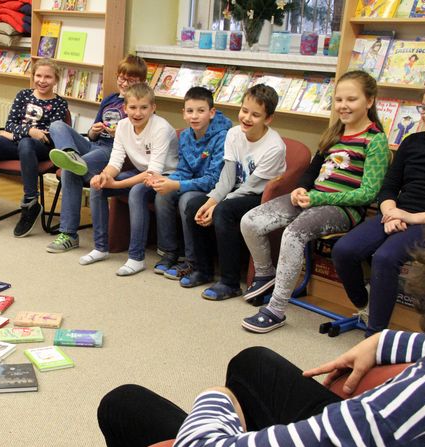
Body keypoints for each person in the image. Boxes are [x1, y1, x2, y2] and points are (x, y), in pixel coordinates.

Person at [98, 179, 425, 447]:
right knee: (253, 362)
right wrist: (384, 340)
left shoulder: (390, 418)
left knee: (123, 405)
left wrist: (216, 399)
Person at [239, 70, 388, 333]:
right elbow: (312, 170)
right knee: (251, 221)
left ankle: (276, 309)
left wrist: (318, 197)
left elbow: (368, 193)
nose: (343, 105)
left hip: (343, 210)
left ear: (369, 101)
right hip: (312, 198)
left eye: (351, 99)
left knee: (293, 234)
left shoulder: (375, 141)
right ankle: (265, 273)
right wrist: (300, 189)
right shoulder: (334, 132)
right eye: (339, 99)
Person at [332, 75, 425, 336]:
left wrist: (410, 218)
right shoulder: (412, 142)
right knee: (344, 249)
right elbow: (389, 186)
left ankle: (375, 335)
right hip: (395, 213)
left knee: (385, 258)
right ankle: (365, 305)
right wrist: (391, 211)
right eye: (424, 108)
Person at [171, 84, 286, 293]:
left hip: (260, 196)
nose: (247, 118)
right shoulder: (233, 134)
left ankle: (230, 282)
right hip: (235, 191)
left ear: (268, 118)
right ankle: (203, 270)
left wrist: (217, 205)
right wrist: (210, 201)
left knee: (223, 211)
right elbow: (227, 177)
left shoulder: (274, 147)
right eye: (244, 111)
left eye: (255, 115)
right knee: (194, 205)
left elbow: (250, 187)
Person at [44, 55, 147, 253]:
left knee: (69, 171)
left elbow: (139, 142)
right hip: (94, 144)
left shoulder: (141, 106)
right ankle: (70, 154)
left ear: (141, 82)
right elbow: (91, 135)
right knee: (57, 125)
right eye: (122, 78)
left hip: (113, 151)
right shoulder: (109, 99)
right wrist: (94, 130)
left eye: (131, 80)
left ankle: (68, 234)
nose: (124, 83)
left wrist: (120, 134)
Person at [83, 83, 179, 276]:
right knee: (98, 186)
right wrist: (104, 176)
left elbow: (153, 172)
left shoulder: (161, 128)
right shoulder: (123, 126)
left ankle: (136, 258)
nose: (138, 113)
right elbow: (116, 161)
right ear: (125, 108)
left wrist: (116, 184)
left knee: (136, 192)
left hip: (166, 176)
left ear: (153, 108)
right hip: (141, 172)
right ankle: (101, 247)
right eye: (133, 107)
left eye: (144, 107)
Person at [0, 58, 69, 237]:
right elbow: (10, 124)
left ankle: (31, 203)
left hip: (41, 149)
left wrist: (16, 134)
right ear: (33, 76)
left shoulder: (60, 104)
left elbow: (49, 135)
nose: (42, 80)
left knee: (26, 143)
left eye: (48, 77)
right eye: (38, 75)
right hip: (16, 145)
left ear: (56, 79)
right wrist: (30, 131)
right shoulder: (23, 95)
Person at [151, 86, 232, 280]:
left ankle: (192, 261)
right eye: (190, 111)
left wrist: (176, 185)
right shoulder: (186, 136)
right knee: (163, 194)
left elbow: (213, 180)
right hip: (193, 183)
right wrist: (165, 180)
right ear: (184, 113)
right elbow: (184, 171)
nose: (194, 116)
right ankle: (170, 252)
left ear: (211, 112)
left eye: (200, 110)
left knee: (186, 199)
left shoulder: (223, 137)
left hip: (214, 189)